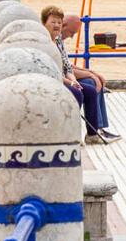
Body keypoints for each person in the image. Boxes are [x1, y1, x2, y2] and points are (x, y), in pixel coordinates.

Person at [52, 10, 121, 144]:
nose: (71, 37)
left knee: (92, 82)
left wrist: (91, 73)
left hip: (65, 76)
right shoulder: (51, 40)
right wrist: (87, 76)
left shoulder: (58, 40)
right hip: (58, 79)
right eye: (72, 33)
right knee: (90, 84)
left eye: (58, 23)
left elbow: (67, 65)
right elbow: (60, 69)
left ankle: (97, 129)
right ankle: (93, 130)